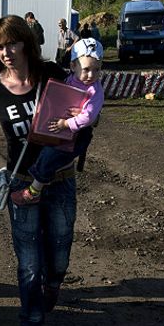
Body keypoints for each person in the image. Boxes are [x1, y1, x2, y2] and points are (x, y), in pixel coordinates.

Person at [0, 15, 75, 326]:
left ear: (26, 43)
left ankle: (54, 284)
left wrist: (91, 113)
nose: (6, 52)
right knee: (30, 265)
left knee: (58, 256)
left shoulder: (52, 75)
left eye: (12, 43)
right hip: (22, 186)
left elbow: (83, 100)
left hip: (60, 180)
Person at [11, 38, 103, 205]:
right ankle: (45, 179)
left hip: (78, 134)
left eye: (97, 70)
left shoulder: (94, 90)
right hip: (66, 132)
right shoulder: (70, 79)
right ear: (74, 66)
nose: (91, 75)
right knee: (48, 154)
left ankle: (34, 191)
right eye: (87, 69)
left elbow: (88, 117)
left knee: (50, 156)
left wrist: (66, 123)